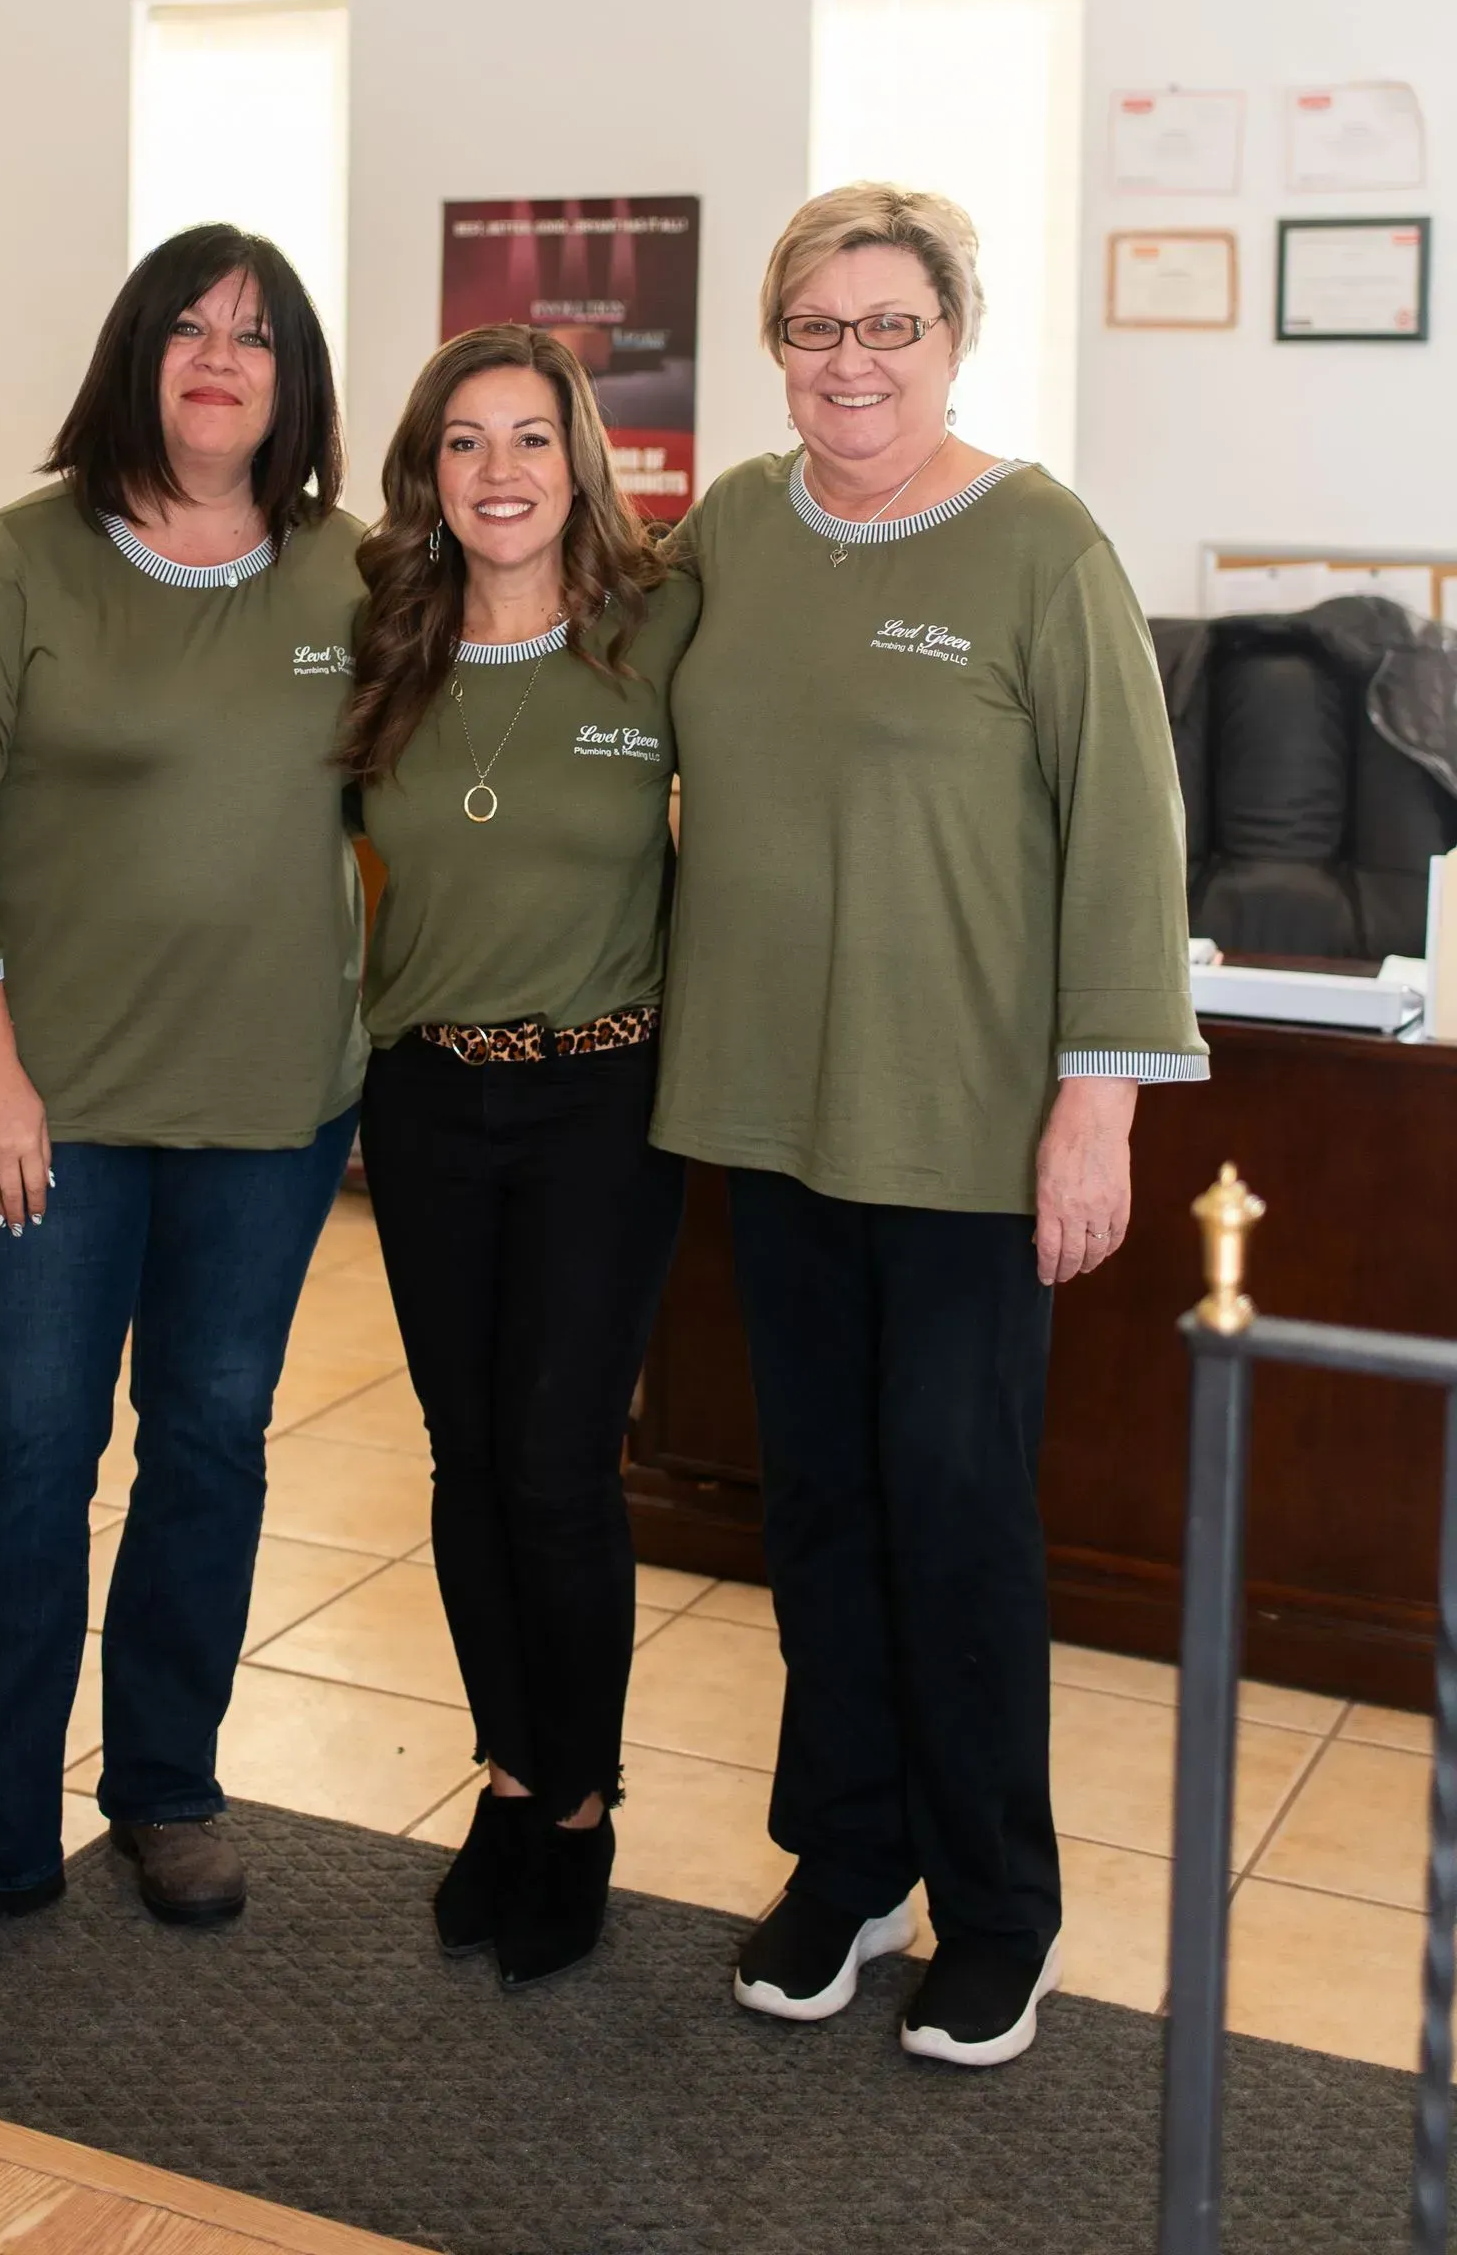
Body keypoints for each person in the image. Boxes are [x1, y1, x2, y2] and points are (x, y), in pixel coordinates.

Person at [654, 182, 1205, 2067]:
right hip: (775, 1113)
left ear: (955, 337)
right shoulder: (733, 525)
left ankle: (997, 1906)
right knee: (816, 1507)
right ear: (776, 347)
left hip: (968, 1132)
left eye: (889, 325)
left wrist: (1100, 1114)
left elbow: (1131, 843)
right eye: (816, 327)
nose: (851, 363)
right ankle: (849, 1862)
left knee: (956, 1515)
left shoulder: (1041, 545)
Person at [0, 224, 365, 1986]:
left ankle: (167, 1788)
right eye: (189, 329)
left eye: (257, 338)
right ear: (135, 354)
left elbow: (462, 785)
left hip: (272, 1108)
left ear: (293, 384)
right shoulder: (24, 562)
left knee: (209, 1446)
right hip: (48, 1114)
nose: (220, 359)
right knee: (26, 1463)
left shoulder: (348, 577)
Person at [340, 326, 699, 1986]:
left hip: (600, 1107)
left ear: (582, 462)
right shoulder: (379, 649)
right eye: (467, 442)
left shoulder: (660, 631)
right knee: (465, 1455)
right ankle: (506, 1771)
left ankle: (580, 1808)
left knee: (559, 1465)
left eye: (532, 439)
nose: (501, 472)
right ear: (430, 471)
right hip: (425, 1105)